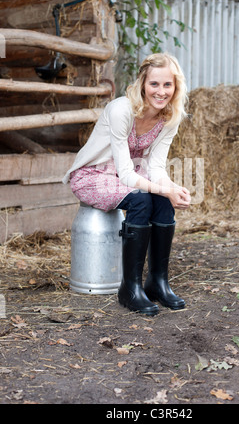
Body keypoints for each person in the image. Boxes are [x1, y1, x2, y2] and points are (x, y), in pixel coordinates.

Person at [62, 52, 191, 316]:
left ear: (176, 86)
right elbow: (125, 172)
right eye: (155, 84)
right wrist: (163, 188)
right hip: (93, 175)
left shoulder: (170, 117)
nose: (161, 91)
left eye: (168, 84)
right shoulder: (122, 109)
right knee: (141, 199)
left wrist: (172, 189)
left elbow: (155, 167)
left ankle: (157, 282)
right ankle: (129, 288)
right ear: (143, 82)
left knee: (162, 198)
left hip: (128, 176)